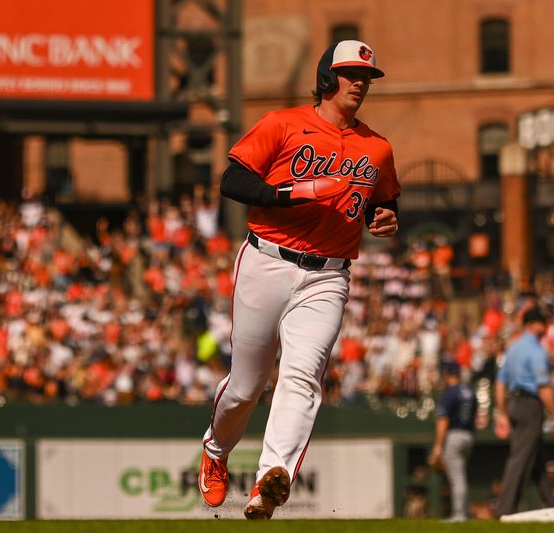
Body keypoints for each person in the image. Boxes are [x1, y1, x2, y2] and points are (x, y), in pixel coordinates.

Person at [197, 39, 401, 520]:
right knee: (246, 386)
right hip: (266, 259)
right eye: (351, 74)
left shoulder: (377, 147)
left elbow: (384, 202)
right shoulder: (282, 123)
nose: (359, 84)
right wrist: (293, 191)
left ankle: (271, 480)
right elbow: (233, 182)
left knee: (303, 376)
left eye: (366, 78)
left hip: (328, 275)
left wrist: (386, 217)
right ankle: (216, 450)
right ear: (327, 77)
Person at [493, 306, 554, 518]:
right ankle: (505, 511)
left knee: (536, 459)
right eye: (544, 323)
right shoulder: (536, 350)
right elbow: (543, 388)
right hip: (529, 406)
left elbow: (500, 383)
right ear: (536, 324)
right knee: (520, 459)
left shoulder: (513, 347)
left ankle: (553, 505)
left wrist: (503, 412)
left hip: (514, 403)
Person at [428, 360, 477, 522]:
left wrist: (437, 447)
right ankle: (466, 511)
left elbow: (443, 422)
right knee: (462, 475)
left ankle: (459, 514)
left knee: (457, 478)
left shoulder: (449, 393)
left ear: (446, 374)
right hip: (469, 436)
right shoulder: (469, 391)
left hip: (454, 436)